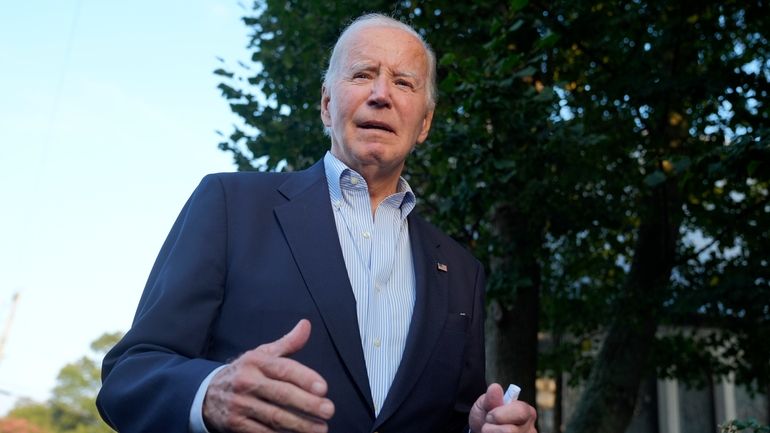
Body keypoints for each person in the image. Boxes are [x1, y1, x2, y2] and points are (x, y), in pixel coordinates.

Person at [97, 13, 537, 433]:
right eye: (363, 74)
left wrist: (481, 427)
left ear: (424, 123)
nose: (381, 93)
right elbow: (131, 374)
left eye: (404, 82)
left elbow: (446, 418)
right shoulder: (231, 205)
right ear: (327, 105)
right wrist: (210, 394)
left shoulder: (462, 271)